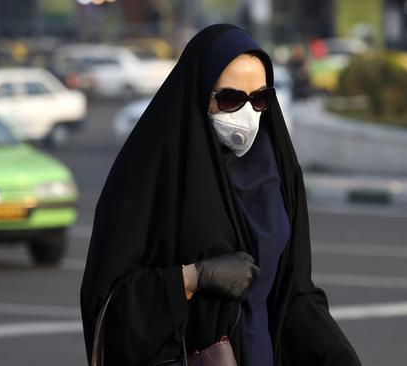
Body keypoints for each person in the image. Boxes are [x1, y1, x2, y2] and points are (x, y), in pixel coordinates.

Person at [80, 24, 362, 366]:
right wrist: (193, 278)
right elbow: (109, 305)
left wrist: (338, 356)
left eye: (260, 98)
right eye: (230, 99)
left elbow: (295, 293)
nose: (247, 113)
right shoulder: (153, 172)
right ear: (199, 93)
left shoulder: (279, 171)